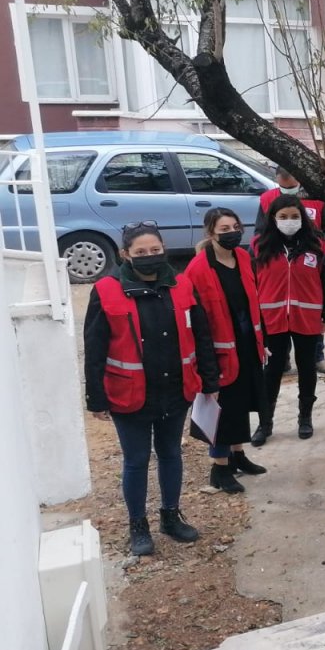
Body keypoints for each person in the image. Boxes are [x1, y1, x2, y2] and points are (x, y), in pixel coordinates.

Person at [84, 221, 221, 556]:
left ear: (163, 249)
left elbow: (201, 336)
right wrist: (95, 397)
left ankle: (170, 517)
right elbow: (95, 347)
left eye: (155, 251)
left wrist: (210, 380)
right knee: (136, 460)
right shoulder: (106, 290)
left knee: (172, 453)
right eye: (140, 252)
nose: (149, 257)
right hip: (129, 395)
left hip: (176, 390)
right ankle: (138, 525)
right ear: (125, 254)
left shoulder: (182, 284)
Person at [185, 208, 268, 492]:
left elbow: (253, 301)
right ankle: (219, 468)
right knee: (223, 409)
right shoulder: (197, 269)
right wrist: (204, 362)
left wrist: (262, 341)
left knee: (241, 403)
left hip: (246, 344)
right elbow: (196, 320)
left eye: (235, 226)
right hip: (219, 352)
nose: (232, 232)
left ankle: (238, 455)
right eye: (224, 229)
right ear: (211, 233)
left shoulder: (243, 258)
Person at [251, 195, 325, 446]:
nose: (289, 221)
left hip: (307, 320)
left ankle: (305, 418)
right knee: (272, 371)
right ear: (273, 219)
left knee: (307, 369)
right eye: (283, 217)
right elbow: (251, 285)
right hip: (272, 320)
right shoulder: (259, 247)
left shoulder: (318, 246)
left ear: (303, 218)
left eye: (294, 216)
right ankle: (265, 423)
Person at [257, 166, 325, 375]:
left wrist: (319, 247)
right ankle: (281, 361)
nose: (288, 192)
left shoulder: (318, 199)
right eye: (284, 189)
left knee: (311, 315)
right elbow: (260, 231)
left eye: (292, 188)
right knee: (280, 321)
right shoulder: (267, 200)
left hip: (310, 261)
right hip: (280, 260)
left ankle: (317, 358)